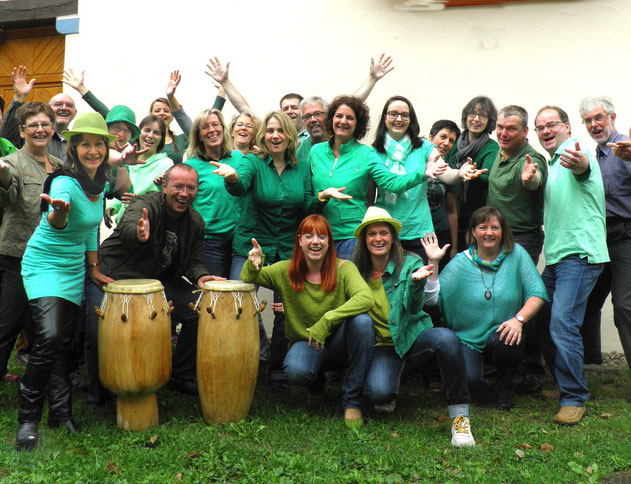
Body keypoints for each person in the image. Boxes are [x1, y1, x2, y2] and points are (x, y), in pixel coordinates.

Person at [210, 110, 348, 383]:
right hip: (251, 246)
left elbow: (307, 206)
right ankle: (242, 364)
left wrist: (323, 196)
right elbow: (241, 187)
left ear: (290, 136)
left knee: (287, 309)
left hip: (287, 247)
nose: (275, 136)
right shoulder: (253, 162)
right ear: (263, 136)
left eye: (280, 131)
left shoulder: (302, 167)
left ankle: (275, 369)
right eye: (270, 131)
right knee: (240, 303)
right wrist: (232, 178)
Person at [16, 113, 116, 450]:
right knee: (50, 336)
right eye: (84, 144)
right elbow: (57, 220)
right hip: (44, 264)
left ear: (105, 148)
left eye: (98, 143)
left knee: (63, 343)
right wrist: (58, 211)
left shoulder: (99, 184)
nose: (92, 150)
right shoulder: (63, 182)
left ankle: (61, 414)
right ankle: (28, 420)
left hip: (73, 269)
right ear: (73, 148)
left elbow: (90, 230)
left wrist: (94, 268)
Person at [94, 164, 223, 398]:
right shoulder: (146, 203)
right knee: (104, 327)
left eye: (190, 188)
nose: (184, 193)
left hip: (158, 283)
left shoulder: (195, 222)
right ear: (165, 187)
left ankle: (182, 375)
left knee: (200, 309)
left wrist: (202, 276)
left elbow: (195, 260)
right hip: (118, 276)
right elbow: (130, 225)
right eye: (178, 187)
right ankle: (104, 381)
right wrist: (139, 232)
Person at [353, 207, 475, 447]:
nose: (378, 238)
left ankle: (460, 420)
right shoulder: (355, 271)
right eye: (372, 234)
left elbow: (414, 306)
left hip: (412, 339)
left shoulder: (410, 262)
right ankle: (392, 383)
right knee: (378, 395)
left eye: (384, 233)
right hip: (382, 347)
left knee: (447, 339)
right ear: (364, 240)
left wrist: (418, 282)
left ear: (393, 237)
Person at [240, 214, 375, 427]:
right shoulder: (285, 270)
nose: (315, 241)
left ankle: (352, 401)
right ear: (300, 240)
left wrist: (328, 319)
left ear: (329, 242)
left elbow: (366, 298)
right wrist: (254, 262)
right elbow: (250, 278)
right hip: (307, 342)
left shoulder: (344, 268)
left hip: (340, 342)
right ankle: (316, 385)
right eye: (309, 236)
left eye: (322, 236)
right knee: (295, 370)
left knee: (363, 322)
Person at [533, 105, 608, 425]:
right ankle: (565, 381)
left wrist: (579, 163)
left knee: (563, 322)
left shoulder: (577, 153)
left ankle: (574, 396)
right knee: (543, 318)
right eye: (540, 127)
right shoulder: (550, 165)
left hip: (580, 256)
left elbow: (583, 167)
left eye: (551, 125)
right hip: (558, 258)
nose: (545, 131)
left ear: (567, 127)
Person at [435, 206, 547, 411]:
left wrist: (518, 320)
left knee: (510, 339)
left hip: (502, 332)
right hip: (467, 337)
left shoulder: (517, 255)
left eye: (495, 228)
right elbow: (436, 297)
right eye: (482, 227)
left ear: (503, 232)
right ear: (472, 233)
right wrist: (433, 265)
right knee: (469, 381)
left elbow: (537, 294)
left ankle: (504, 386)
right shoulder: (461, 262)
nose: (489, 233)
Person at [310, 95, 445, 260]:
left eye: (350, 118)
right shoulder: (315, 152)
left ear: (358, 124)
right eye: (339, 116)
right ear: (331, 119)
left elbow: (393, 183)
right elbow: (306, 197)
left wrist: (422, 173)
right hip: (319, 234)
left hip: (351, 238)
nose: (343, 121)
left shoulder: (367, 154)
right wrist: (322, 196)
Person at [371, 96, 486, 258]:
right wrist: (422, 172)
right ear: (384, 119)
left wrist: (460, 173)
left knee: (422, 281)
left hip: (420, 233)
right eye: (393, 114)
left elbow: (444, 173)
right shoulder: (373, 152)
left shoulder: (424, 147)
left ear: (411, 120)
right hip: (385, 231)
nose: (399, 119)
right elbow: (388, 186)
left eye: (405, 115)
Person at [0, 103, 64, 384]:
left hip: (51, 259)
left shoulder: (61, 167)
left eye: (45, 124)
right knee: (8, 323)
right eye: (33, 125)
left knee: (45, 325)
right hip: (18, 256)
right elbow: (8, 195)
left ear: (52, 128)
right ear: (23, 131)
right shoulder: (13, 162)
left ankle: (46, 378)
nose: (40, 130)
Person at [486, 105, 548, 395]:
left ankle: (533, 369)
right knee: (501, 298)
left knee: (524, 300)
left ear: (525, 132)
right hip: (495, 238)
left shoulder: (531, 158)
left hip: (523, 238)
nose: (503, 132)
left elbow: (533, 180)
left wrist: (529, 178)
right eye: (500, 126)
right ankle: (506, 364)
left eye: (511, 128)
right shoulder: (499, 154)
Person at [579, 96, 631, 372]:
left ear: (612, 117)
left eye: (599, 118)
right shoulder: (592, 157)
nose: (594, 124)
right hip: (599, 240)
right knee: (584, 300)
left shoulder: (625, 148)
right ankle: (590, 363)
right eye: (588, 120)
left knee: (624, 306)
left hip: (626, 237)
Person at [184, 109, 240, 277]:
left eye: (216, 124)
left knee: (240, 295)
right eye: (205, 127)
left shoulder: (239, 158)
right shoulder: (191, 165)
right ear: (199, 136)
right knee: (214, 296)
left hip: (239, 242)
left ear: (223, 129)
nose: (212, 130)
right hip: (210, 243)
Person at [448, 96, 500, 252]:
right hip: (452, 214)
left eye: (483, 116)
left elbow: (487, 177)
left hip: (477, 217)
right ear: (466, 117)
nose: (476, 119)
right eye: (472, 114)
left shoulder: (491, 147)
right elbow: (446, 170)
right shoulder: (456, 143)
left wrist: (472, 175)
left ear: (489, 121)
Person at [106, 115, 174, 223]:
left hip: (146, 226)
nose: (150, 136)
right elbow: (125, 196)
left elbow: (167, 200)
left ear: (161, 139)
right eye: (147, 130)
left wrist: (160, 186)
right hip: (123, 225)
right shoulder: (128, 161)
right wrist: (112, 208)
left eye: (156, 133)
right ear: (138, 134)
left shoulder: (166, 164)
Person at [1, 66, 77, 160]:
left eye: (69, 105)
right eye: (58, 104)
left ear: (75, 112)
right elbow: (7, 137)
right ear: (49, 110)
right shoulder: (35, 135)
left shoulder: (77, 142)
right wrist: (19, 97)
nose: (64, 108)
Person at [427, 120, 460, 267]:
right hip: (417, 232)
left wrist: (454, 247)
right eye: (443, 137)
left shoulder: (450, 171)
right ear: (430, 137)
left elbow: (451, 210)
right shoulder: (415, 162)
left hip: (440, 232)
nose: (446, 143)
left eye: (451, 141)